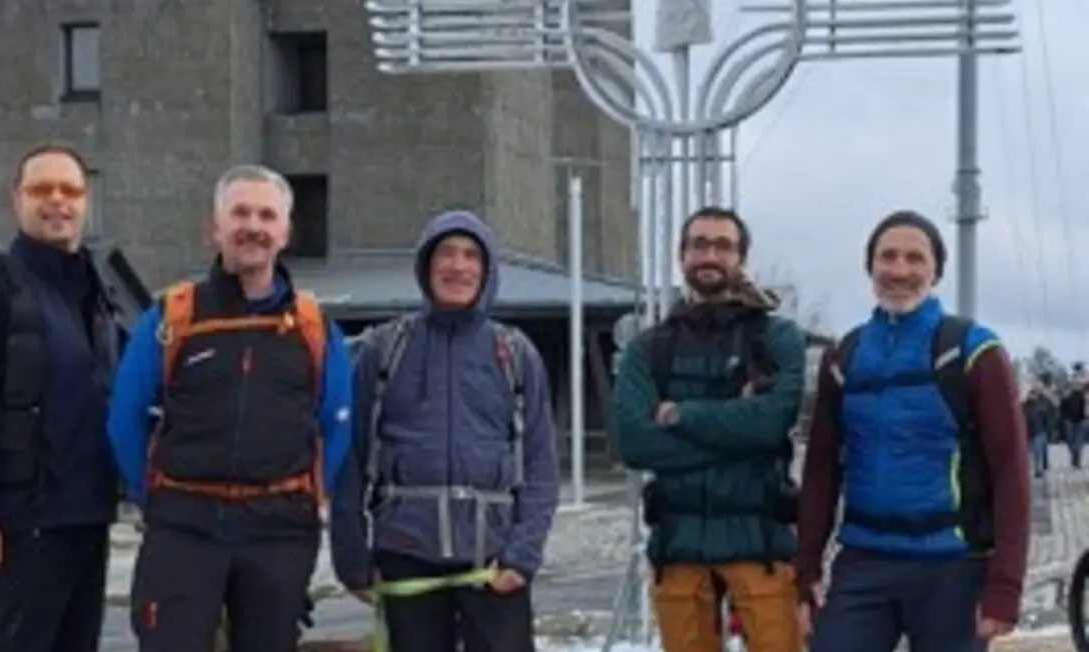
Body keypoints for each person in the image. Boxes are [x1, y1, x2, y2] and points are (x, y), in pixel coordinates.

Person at [105, 165, 353, 652]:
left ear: (285, 231)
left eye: (266, 215)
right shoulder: (173, 316)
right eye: (239, 213)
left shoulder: (313, 327)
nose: (253, 226)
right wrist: (151, 494)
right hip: (184, 525)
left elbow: (337, 424)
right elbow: (125, 420)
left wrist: (312, 495)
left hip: (277, 530)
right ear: (214, 228)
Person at [796, 210, 1030, 652]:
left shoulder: (974, 351)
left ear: (935, 271)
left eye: (914, 258)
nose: (899, 270)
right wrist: (806, 570)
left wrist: (1005, 584)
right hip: (865, 561)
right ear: (870, 268)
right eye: (887, 257)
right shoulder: (843, 357)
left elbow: (1011, 471)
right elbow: (821, 471)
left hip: (953, 567)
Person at [329, 210, 559, 652]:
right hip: (407, 554)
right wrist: (352, 559)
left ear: (487, 271)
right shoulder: (385, 349)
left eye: (472, 255)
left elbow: (540, 463)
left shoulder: (514, 353)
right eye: (447, 253)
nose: (459, 266)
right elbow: (350, 459)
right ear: (426, 266)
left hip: (493, 563)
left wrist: (522, 555)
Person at [0, 143, 123, 652]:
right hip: (19, 523)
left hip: (87, 517)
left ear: (86, 200)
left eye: (71, 190)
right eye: (41, 189)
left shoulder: (96, 291)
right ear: (16, 199)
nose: (57, 200)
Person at [611, 206, 808, 652]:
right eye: (699, 244)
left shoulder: (776, 338)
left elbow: (772, 422)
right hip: (677, 545)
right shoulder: (649, 349)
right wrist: (740, 433)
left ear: (741, 258)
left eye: (724, 246)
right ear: (682, 256)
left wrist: (683, 416)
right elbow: (635, 443)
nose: (710, 255)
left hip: (759, 542)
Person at [1023, 384, 1057, 480]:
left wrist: (1050, 427)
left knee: (1039, 451)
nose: (1033, 395)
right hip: (1030, 432)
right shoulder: (1025, 405)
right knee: (1034, 452)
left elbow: (1050, 414)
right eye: (1032, 393)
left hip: (1040, 430)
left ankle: (1039, 469)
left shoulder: (1043, 403)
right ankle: (1039, 467)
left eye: (1035, 393)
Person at [1059, 379, 1086, 469]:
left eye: (1077, 385)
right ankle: (1074, 456)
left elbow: (1084, 407)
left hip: (1079, 421)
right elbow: (1062, 407)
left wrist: (1085, 417)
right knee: (1070, 441)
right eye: (1074, 385)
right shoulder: (1067, 396)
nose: (1076, 387)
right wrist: (1064, 418)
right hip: (1069, 420)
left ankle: (1077, 461)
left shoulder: (1081, 396)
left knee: (1078, 442)